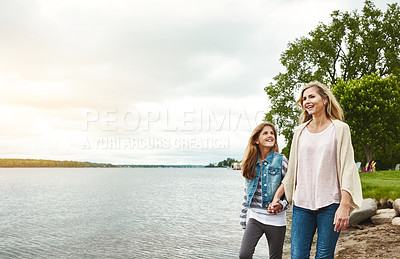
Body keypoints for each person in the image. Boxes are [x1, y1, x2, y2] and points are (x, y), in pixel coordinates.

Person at [270, 81, 363, 259]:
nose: (307, 101)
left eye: (311, 96)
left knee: (324, 256)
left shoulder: (340, 129)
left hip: (330, 204)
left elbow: (348, 169)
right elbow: (292, 173)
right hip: (302, 205)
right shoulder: (299, 131)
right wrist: (277, 197)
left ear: (325, 100)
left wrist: (344, 206)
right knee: (297, 256)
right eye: (304, 99)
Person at [239, 122, 288, 259]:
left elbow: (290, 188)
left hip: (276, 220)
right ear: (256, 139)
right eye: (265, 133)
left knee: (275, 257)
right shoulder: (250, 162)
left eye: (272, 133)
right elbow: (246, 192)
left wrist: (281, 205)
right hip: (255, 218)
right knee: (244, 254)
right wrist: (243, 217)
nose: (270, 135)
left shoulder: (281, 161)